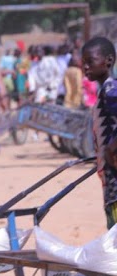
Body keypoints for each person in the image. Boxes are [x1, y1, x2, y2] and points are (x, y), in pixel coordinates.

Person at [81, 37, 117, 229]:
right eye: (83, 63)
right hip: (110, 179)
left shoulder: (111, 89)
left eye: (90, 61)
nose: (86, 67)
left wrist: (112, 147)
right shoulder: (105, 91)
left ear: (109, 61)